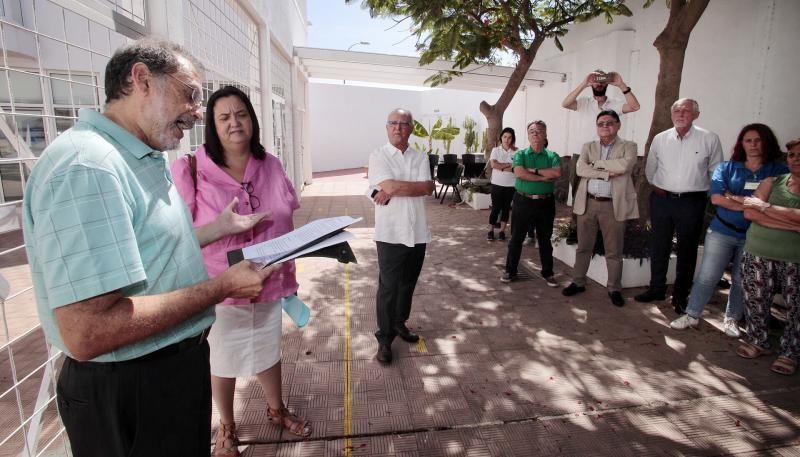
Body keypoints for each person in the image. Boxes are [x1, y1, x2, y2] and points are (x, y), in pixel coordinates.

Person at [22, 40, 276, 457]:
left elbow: (146, 250)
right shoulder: (89, 168)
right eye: (191, 94)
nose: (199, 112)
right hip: (132, 390)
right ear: (141, 80)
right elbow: (87, 331)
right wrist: (221, 287)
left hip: (167, 374)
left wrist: (217, 229)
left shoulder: (137, 155)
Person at [171, 86, 310, 455]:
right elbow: (181, 237)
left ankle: (277, 410)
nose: (235, 122)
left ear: (253, 120)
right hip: (222, 286)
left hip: (268, 278)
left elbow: (288, 209)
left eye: (242, 114)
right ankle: (227, 428)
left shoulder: (272, 164)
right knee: (223, 357)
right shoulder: (193, 169)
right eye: (224, 116)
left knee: (268, 347)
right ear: (212, 127)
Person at [670, 124, 788, 337]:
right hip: (722, 232)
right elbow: (716, 199)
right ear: (741, 144)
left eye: (758, 140)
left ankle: (732, 318)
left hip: (756, 235)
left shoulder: (778, 171)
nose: (753, 145)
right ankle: (692, 314)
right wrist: (756, 205)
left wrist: (733, 197)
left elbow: (779, 202)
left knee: (741, 279)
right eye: (748, 140)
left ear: (767, 142)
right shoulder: (727, 168)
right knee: (707, 276)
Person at [635, 98, 723, 313]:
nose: (681, 114)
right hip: (662, 200)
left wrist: (705, 194)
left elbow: (716, 171)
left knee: (687, 249)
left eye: (686, 110)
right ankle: (657, 288)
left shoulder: (709, 138)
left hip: (691, 202)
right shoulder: (661, 138)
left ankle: (681, 296)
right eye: (676, 110)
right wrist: (657, 186)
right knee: (659, 245)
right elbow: (651, 168)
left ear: (696, 114)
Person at [368, 108, 435, 365]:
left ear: (412, 128)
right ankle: (384, 339)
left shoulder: (420, 156)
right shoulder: (378, 155)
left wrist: (394, 188)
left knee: (408, 284)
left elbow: (427, 188)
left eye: (403, 124)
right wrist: (400, 187)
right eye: (393, 123)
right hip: (391, 233)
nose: (398, 128)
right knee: (388, 288)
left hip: (417, 232)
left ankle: (399, 324)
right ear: (387, 127)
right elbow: (394, 187)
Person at [735, 138, 800, 376]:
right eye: (792, 155)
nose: (796, 160)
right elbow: (751, 212)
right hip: (759, 253)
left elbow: (759, 208)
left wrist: (767, 209)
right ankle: (757, 341)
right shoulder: (772, 182)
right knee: (756, 300)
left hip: (795, 258)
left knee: (796, 309)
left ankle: (790, 353)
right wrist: (792, 223)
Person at [562, 110, 638, 307]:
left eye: (609, 123)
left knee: (614, 251)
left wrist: (595, 166)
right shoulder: (588, 146)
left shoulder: (629, 146)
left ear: (618, 125)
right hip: (588, 203)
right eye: (601, 123)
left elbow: (625, 165)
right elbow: (580, 169)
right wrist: (606, 172)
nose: (605, 126)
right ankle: (578, 282)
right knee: (584, 247)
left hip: (613, 205)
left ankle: (614, 288)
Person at [562, 71, 640, 242]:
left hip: (609, 153)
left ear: (607, 83)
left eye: (602, 80)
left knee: (607, 196)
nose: (598, 83)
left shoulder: (615, 104)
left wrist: (621, 84)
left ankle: (602, 234)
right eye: (595, 80)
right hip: (583, 154)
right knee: (578, 194)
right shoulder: (583, 102)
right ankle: (577, 230)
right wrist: (584, 83)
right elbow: (565, 103)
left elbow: (634, 106)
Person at [501, 120, 562, 287]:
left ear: (545, 135)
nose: (535, 133)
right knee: (516, 238)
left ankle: (548, 273)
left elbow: (556, 173)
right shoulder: (521, 154)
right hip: (523, 201)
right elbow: (520, 173)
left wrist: (533, 171)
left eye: (539, 130)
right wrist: (544, 178)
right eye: (532, 131)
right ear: (528, 135)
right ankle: (510, 270)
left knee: (545, 239)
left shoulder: (552, 156)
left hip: (545, 203)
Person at [487, 127, 518, 241]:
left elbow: (516, 168)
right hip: (497, 184)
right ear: (501, 138)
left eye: (509, 137)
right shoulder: (496, 150)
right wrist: (508, 165)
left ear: (512, 139)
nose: (507, 139)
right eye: (505, 137)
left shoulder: (517, 151)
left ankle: (502, 231)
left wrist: (501, 165)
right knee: (495, 208)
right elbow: (493, 165)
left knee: (506, 209)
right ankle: (490, 230)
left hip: (511, 185)